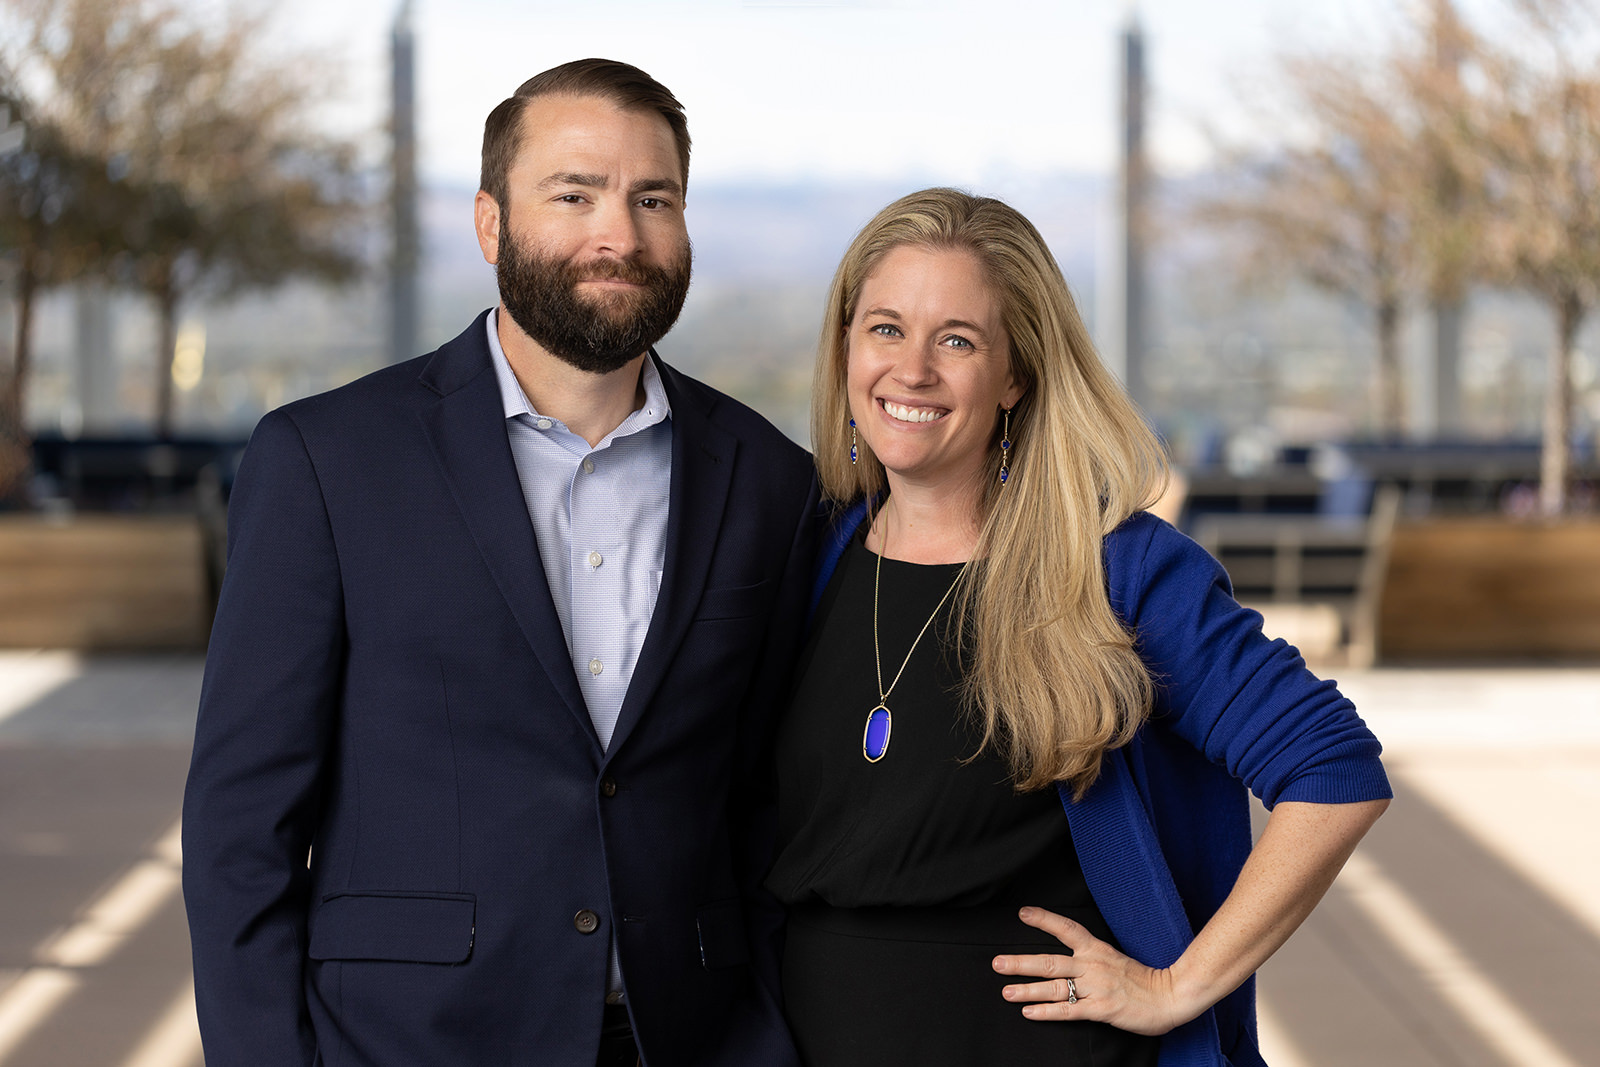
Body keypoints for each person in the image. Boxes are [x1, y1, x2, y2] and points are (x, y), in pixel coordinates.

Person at [182, 59, 814, 1067]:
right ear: (490, 224)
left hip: (686, 1038)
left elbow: (768, 810)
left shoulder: (772, 481)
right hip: (404, 1043)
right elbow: (238, 824)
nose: (619, 233)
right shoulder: (326, 460)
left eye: (653, 198)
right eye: (575, 195)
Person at [766, 187, 1391, 1066]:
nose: (912, 369)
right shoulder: (808, 551)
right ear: (844, 348)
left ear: (1016, 374)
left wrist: (1177, 985)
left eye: (957, 340)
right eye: (884, 328)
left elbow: (1335, 767)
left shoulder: (1117, 569)